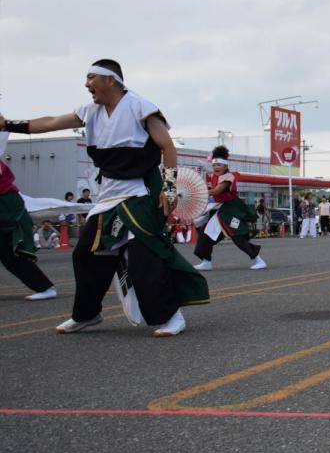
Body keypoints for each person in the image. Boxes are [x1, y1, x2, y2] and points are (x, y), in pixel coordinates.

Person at [0, 59, 209, 335]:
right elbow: (51, 122)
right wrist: (10, 125)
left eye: (91, 78)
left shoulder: (139, 107)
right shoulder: (90, 110)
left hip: (141, 192)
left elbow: (167, 145)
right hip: (109, 194)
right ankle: (87, 315)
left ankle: (170, 315)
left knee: (142, 257)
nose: (86, 84)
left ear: (111, 80)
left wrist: (169, 187)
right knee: (85, 254)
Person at [192, 145, 267, 271]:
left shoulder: (228, 177)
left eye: (219, 165)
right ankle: (206, 261)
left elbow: (217, 191)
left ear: (226, 166)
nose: (216, 167)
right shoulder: (215, 176)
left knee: (237, 236)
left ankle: (259, 260)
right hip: (219, 210)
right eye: (214, 165)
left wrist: (200, 190)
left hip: (232, 210)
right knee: (206, 235)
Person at [0, 156, 58, 300]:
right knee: (9, 256)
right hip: (6, 208)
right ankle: (44, 287)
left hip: (7, 209)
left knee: (12, 256)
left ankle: (45, 288)